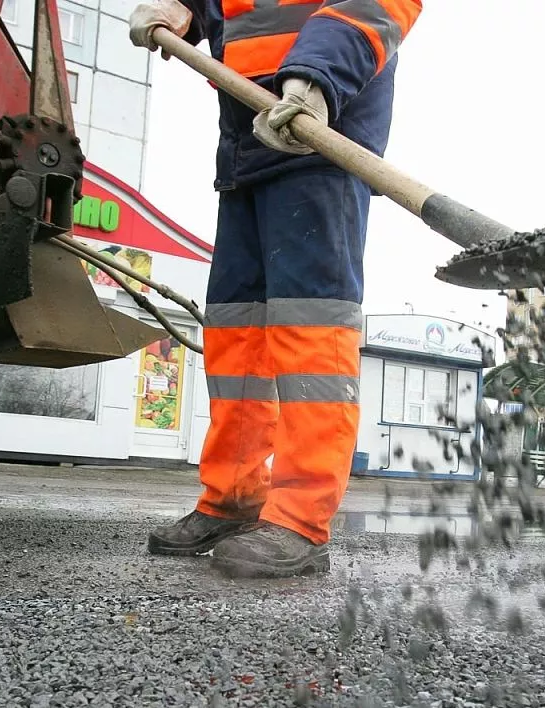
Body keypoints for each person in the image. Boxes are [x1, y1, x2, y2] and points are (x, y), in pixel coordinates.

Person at [127, 0, 422, 578]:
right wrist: (186, 9)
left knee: (311, 337)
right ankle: (233, 497)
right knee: (235, 337)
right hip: (245, 149)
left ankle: (301, 520)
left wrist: (318, 76)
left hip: (317, 139)